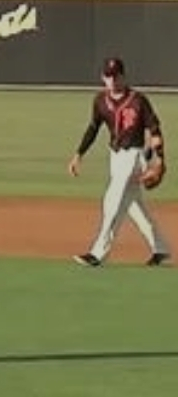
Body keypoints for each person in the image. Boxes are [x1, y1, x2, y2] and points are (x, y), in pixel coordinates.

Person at [69, 56, 171, 268]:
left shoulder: (138, 100)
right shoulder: (100, 101)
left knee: (112, 201)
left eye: (116, 76)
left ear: (123, 76)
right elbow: (93, 128)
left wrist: (160, 159)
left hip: (134, 156)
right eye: (108, 76)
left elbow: (154, 129)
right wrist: (79, 154)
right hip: (115, 158)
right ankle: (160, 248)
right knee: (134, 205)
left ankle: (98, 253)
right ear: (102, 78)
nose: (112, 80)